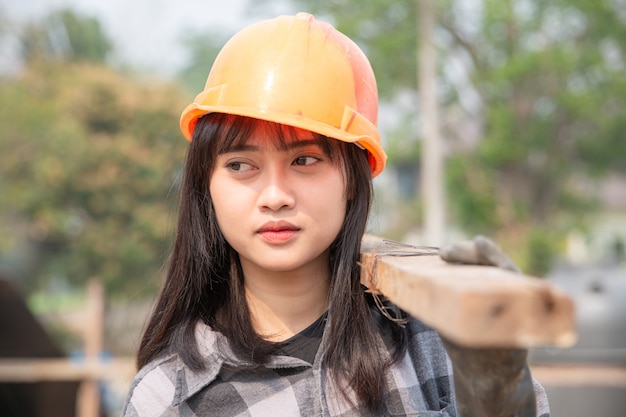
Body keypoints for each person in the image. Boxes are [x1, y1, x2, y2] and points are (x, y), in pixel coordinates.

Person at [121, 12, 550, 417]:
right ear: (206, 185)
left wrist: (502, 390)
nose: (275, 196)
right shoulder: (171, 397)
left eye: (305, 160)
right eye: (240, 165)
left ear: (354, 179)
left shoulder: (432, 343)